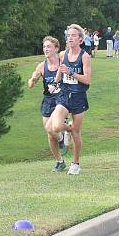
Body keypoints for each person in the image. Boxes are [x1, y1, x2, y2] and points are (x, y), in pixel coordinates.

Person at [47, 24, 91, 175]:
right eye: (68, 35)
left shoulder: (84, 56)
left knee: (77, 133)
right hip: (65, 95)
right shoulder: (63, 54)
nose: (70, 38)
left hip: (78, 97)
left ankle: (75, 163)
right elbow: (61, 69)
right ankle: (68, 129)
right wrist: (55, 82)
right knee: (56, 126)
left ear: (80, 39)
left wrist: (71, 73)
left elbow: (87, 80)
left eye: (73, 35)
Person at [28, 36, 69, 171]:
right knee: (50, 133)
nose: (46, 49)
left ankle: (63, 135)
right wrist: (33, 79)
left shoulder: (63, 61)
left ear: (56, 49)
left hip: (61, 98)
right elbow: (30, 84)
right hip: (47, 100)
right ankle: (60, 161)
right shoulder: (41, 66)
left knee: (52, 128)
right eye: (44, 47)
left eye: (49, 47)